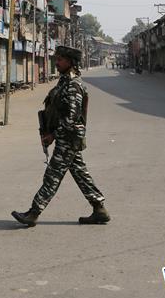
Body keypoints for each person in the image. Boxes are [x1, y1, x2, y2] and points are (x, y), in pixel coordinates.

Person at [12, 45, 109, 227]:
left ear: (70, 62)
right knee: (80, 173)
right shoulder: (64, 81)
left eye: (60, 60)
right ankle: (99, 209)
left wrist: (53, 135)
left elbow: (71, 119)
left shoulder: (73, 85)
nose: (56, 63)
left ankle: (33, 213)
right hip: (68, 137)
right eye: (56, 59)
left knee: (52, 175)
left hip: (69, 137)